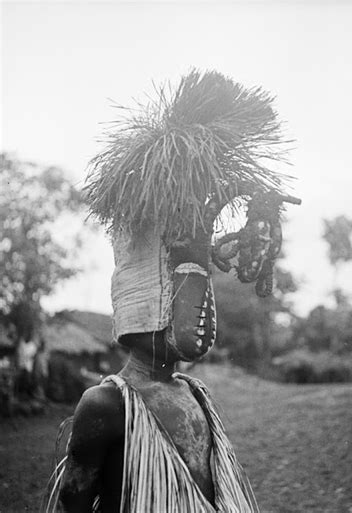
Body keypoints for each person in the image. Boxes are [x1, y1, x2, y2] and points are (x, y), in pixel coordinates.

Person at [44, 70, 297, 513]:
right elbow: (75, 500)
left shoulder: (195, 394)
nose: (203, 313)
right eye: (185, 295)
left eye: (204, 293)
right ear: (146, 307)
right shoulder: (105, 405)